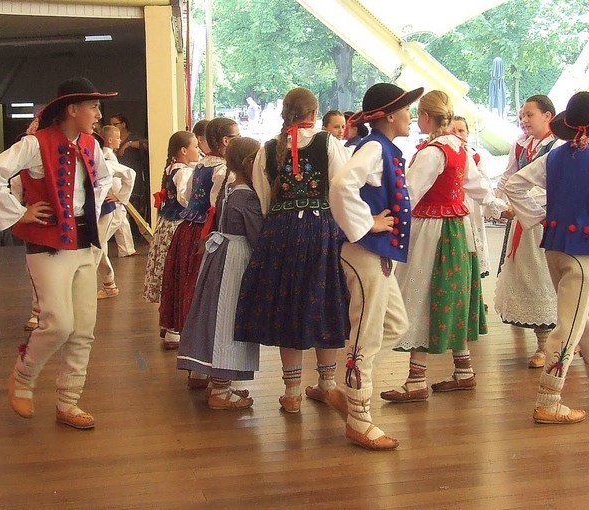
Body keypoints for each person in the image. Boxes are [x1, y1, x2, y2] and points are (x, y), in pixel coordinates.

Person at [0, 77, 115, 430]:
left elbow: (103, 180)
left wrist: (90, 213)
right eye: (93, 107)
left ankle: (68, 401)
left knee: (83, 328)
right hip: (48, 245)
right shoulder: (35, 144)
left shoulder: (91, 144)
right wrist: (18, 213)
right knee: (58, 323)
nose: (99, 114)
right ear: (72, 109)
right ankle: (23, 377)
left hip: (84, 243)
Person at [501, 91, 589, 424]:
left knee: (584, 318)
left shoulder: (553, 157)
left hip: (554, 247)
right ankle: (549, 399)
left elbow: (514, 185)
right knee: (570, 325)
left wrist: (538, 216)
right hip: (582, 251)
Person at [381, 90, 506, 402]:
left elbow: (408, 194)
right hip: (457, 229)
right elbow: (479, 187)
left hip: (432, 231)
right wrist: (498, 207)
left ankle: (416, 381)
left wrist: (384, 222)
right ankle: (463, 371)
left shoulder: (432, 152)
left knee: (421, 293)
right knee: (451, 294)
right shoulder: (459, 147)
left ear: (426, 117)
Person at [235, 88, 350, 414]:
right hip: (320, 231)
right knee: (323, 300)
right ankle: (327, 384)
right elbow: (342, 188)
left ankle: (292, 391)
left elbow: (263, 198)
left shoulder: (268, 149)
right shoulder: (328, 143)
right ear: (314, 113)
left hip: (280, 233)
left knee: (289, 305)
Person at [330, 82, 423, 450]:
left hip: (377, 254)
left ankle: (348, 388)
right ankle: (359, 418)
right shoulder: (373, 147)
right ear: (389, 116)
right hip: (365, 252)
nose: (410, 116)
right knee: (366, 333)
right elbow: (341, 184)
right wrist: (368, 223)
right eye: (406, 110)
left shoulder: (381, 147)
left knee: (395, 324)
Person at [177, 137, 263, 410]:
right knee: (227, 321)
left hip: (221, 254)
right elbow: (256, 235)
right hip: (235, 260)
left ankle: (218, 383)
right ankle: (220, 390)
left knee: (217, 317)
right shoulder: (247, 196)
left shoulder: (230, 189)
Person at [160, 117, 238, 385]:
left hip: (189, 232)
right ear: (226, 141)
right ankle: (208, 369)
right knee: (208, 297)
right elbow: (219, 206)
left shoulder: (201, 165)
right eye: (236, 136)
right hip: (207, 235)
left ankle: (197, 369)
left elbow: (188, 197)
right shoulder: (223, 170)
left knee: (193, 294)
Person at [493, 95, 562, 368]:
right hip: (523, 220)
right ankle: (545, 342)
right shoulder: (521, 145)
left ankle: (548, 345)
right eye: (521, 115)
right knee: (528, 277)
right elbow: (508, 177)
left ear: (547, 116)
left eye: (529, 114)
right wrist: (496, 204)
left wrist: (522, 203)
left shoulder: (558, 145)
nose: (523, 120)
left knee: (544, 278)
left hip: (546, 220)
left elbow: (554, 186)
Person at [143, 131, 198, 338]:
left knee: (170, 274)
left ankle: (169, 325)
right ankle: (173, 328)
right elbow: (186, 199)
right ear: (184, 150)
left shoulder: (172, 168)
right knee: (176, 274)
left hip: (167, 224)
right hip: (176, 226)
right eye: (195, 147)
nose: (198, 151)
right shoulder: (183, 172)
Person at [94, 127, 136, 299]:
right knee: (98, 245)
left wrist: (119, 196)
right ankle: (109, 284)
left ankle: (108, 284)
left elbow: (128, 174)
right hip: (100, 208)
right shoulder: (103, 155)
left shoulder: (105, 158)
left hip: (108, 207)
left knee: (96, 245)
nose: (120, 140)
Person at [449, 115, 491, 277]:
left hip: (472, 203)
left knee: (474, 237)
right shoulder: (444, 152)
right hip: (454, 202)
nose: (458, 134)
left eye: (461, 130)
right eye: (454, 130)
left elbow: (483, 182)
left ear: (468, 133)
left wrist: (491, 204)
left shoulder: (475, 156)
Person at [100, 125, 137, 257]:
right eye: (118, 138)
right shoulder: (107, 156)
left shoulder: (107, 154)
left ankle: (126, 250)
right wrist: (119, 196)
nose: (120, 140)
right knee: (113, 224)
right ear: (110, 140)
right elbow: (121, 177)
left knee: (122, 222)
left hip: (115, 196)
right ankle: (98, 247)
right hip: (112, 196)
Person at [109, 113, 151, 224]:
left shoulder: (133, 138)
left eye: (115, 124)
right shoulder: (112, 140)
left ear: (123, 124)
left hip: (134, 177)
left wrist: (129, 144)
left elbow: (147, 145)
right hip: (118, 180)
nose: (113, 127)